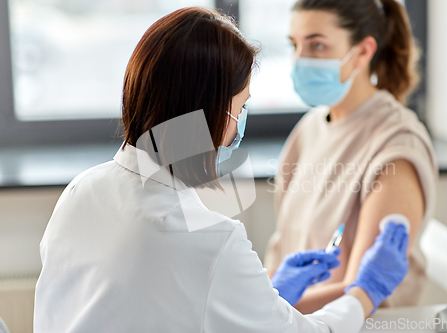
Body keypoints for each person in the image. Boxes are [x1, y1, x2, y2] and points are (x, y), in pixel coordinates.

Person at [34, 7, 409, 332]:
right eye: (240, 107)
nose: (239, 125)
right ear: (212, 112)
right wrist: (366, 290)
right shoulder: (211, 240)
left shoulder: (81, 191)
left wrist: (267, 297)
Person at [265, 0, 439, 314]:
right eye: (294, 45)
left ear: (362, 51)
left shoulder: (395, 145)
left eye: (317, 45)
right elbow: (283, 252)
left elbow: (364, 292)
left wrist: (261, 311)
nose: (299, 60)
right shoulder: (310, 129)